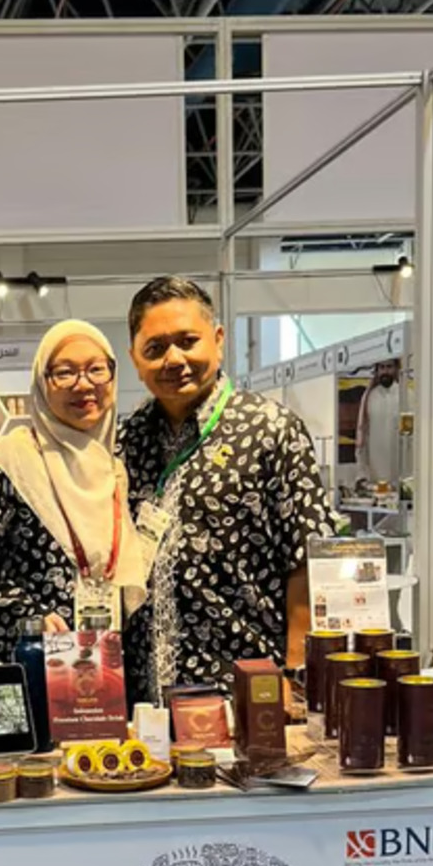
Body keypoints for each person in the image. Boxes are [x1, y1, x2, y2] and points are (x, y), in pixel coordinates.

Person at [118, 276, 332, 704]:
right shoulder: (127, 442)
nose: (174, 359)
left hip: (244, 688)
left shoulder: (271, 430)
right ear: (135, 360)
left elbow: (306, 558)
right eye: (155, 348)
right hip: (144, 695)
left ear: (218, 341)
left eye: (188, 341)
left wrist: (296, 674)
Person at [0, 319, 145, 661]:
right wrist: (29, 617)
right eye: (64, 373)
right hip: (37, 664)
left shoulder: (123, 463)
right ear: (41, 381)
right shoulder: (8, 464)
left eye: (96, 369)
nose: (84, 384)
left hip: (117, 663)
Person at [356, 360, 402, 486]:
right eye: (382, 367)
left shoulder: (407, 396)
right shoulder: (369, 398)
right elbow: (362, 434)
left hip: (400, 469)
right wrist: (362, 472)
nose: (385, 371)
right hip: (375, 472)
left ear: (396, 369)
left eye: (389, 367)